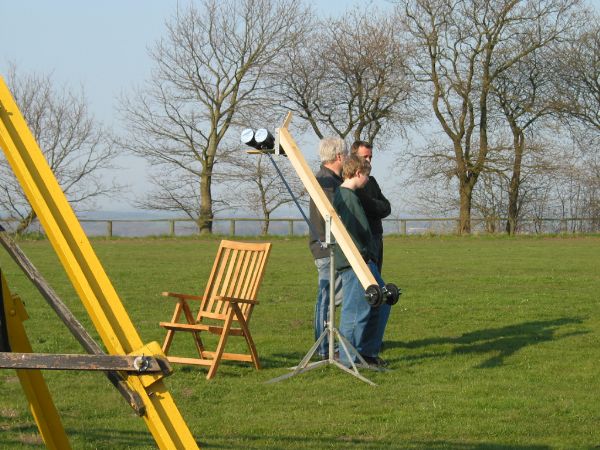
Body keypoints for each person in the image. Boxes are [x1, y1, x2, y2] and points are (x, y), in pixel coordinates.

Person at [333, 154, 387, 367]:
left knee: (381, 300)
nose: (367, 180)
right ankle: (348, 359)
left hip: (362, 259)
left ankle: (367, 353)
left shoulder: (348, 195)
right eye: (366, 175)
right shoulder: (347, 197)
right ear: (358, 173)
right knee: (356, 310)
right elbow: (359, 231)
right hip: (356, 261)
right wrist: (367, 253)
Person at [351, 141, 392, 354]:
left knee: (377, 287)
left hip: (377, 238)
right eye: (364, 157)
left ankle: (372, 338)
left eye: (370, 157)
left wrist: (375, 206)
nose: (368, 160)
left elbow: (386, 207)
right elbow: (370, 206)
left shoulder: (372, 181)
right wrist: (375, 206)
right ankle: (362, 342)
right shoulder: (354, 184)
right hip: (365, 241)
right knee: (369, 290)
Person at [309, 137, 347, 360]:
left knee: (333, 298)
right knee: (326, 299)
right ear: (339, 156)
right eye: (346, 155)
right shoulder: (326, 182)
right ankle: (324, 348)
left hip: (330, 246)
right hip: (327, 247)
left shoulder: (329, 179)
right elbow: (336, 215)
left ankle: (330, 346)